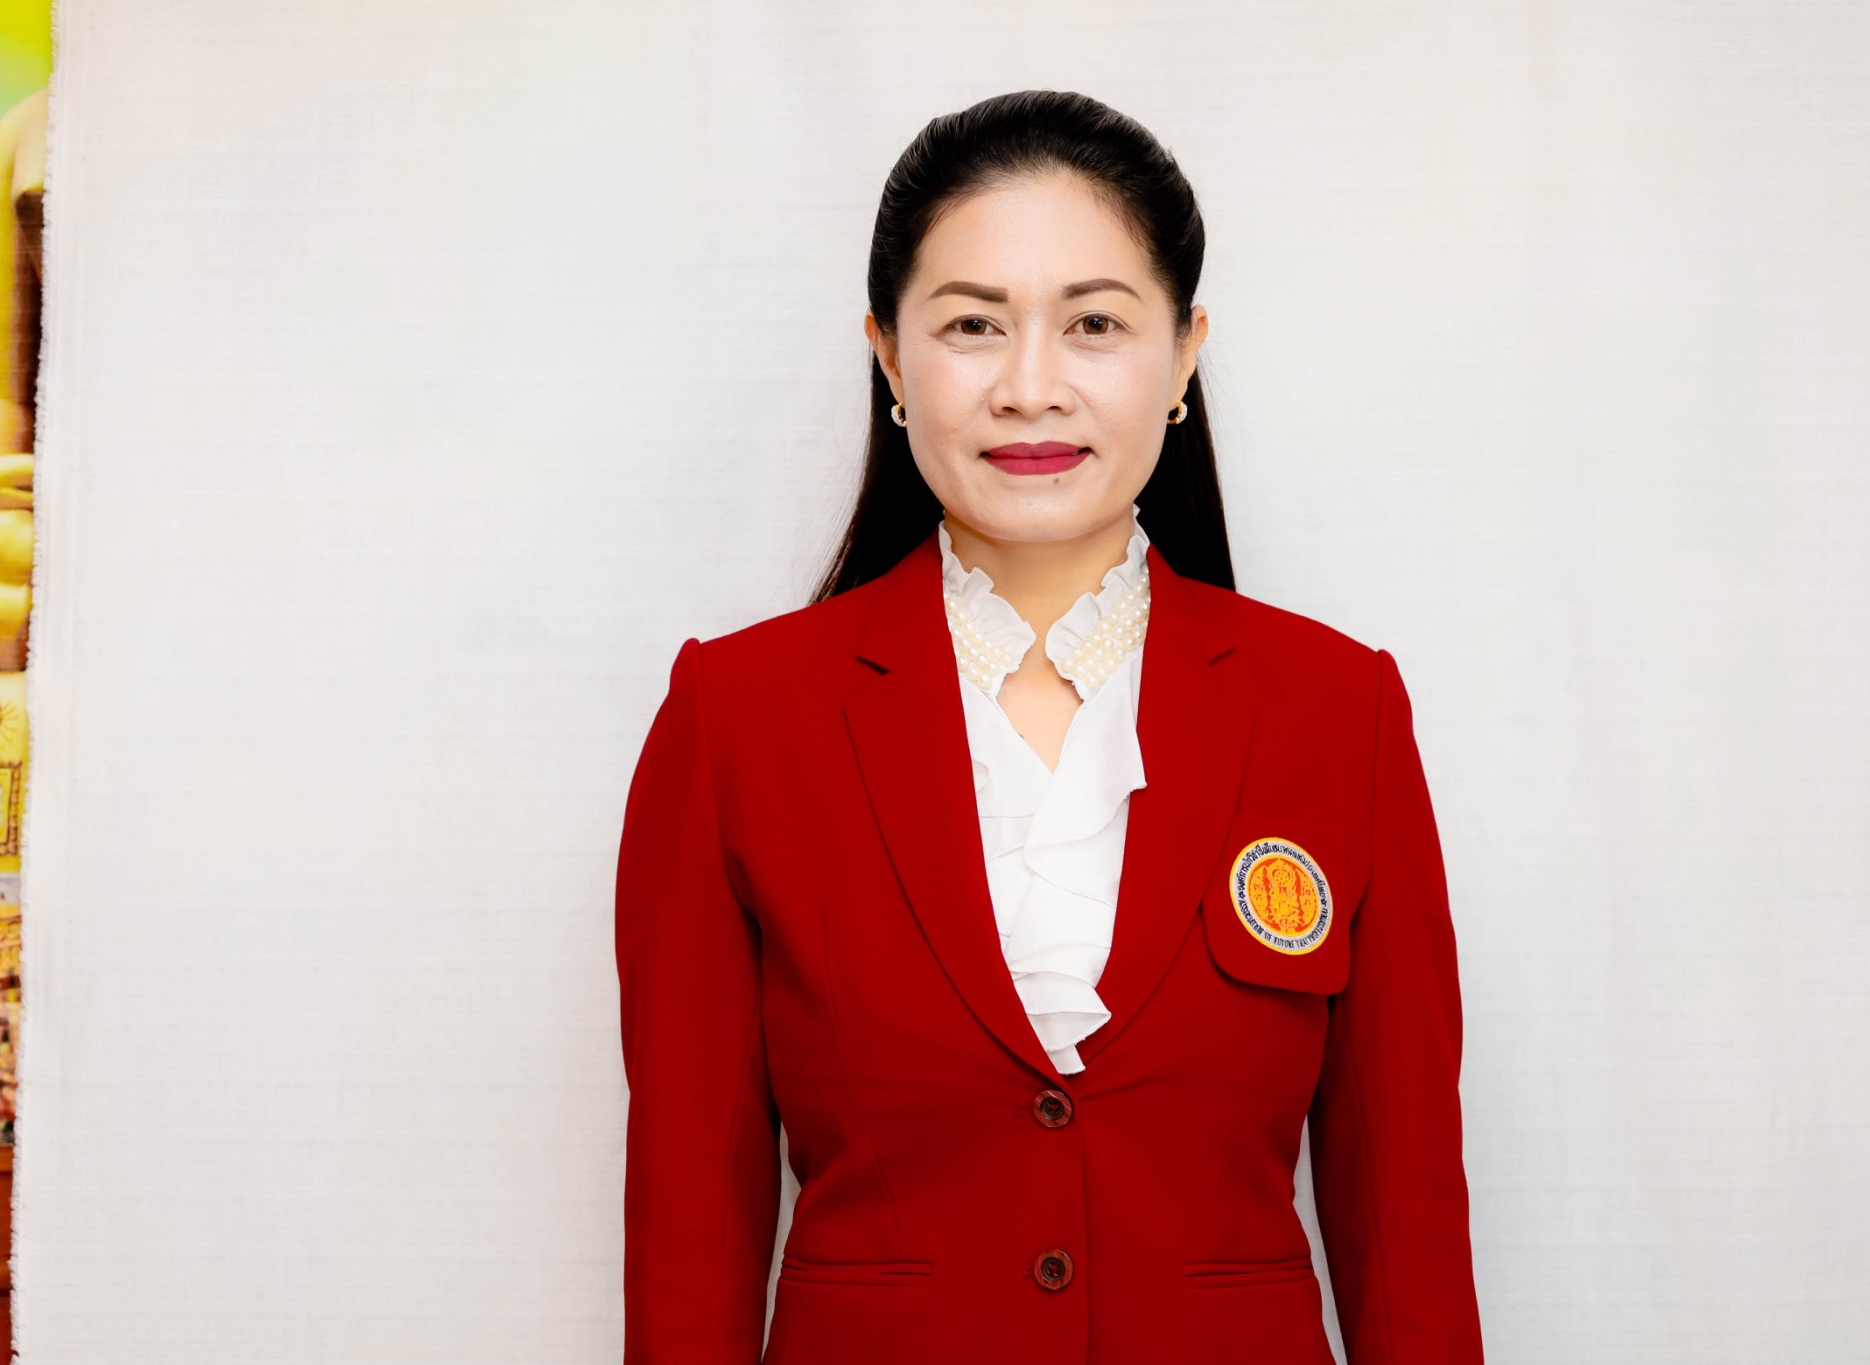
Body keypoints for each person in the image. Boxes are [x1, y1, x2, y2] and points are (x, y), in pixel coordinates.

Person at [616, 89, 1483, 1365]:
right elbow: (688, 1229)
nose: (1030, 388)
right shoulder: (735, 718)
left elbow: (1405, 1228)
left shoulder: (1334, 710)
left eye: (1093, 324)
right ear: (887, 356)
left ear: (1181, 356)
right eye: (971, 325)